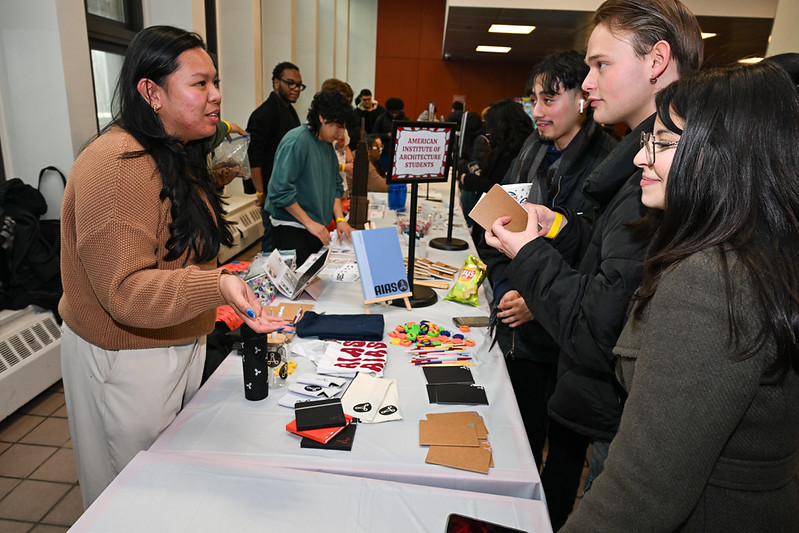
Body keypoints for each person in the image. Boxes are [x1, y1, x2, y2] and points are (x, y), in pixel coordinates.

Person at [485, 0, 703, 528]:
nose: (587, 81)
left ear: (655, 62)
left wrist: (529, 253)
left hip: (624, 424)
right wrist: (555, 227)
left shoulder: (658, 178)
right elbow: (607, 256)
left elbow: (595, 327)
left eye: (601, 65)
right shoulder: (636, 166)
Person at [561, 61, 799, 532]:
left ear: (725, 157)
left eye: (664, 143)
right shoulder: (762, 253)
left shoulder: (710, 279)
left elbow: (639, 496)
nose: (639, 158)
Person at [59, 26, 288, 509]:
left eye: (216, 82)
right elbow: (126, 293)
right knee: (131, 495)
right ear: (152, 92)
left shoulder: (172, 151)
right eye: (199, 84)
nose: (217, 96)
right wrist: (220, 285)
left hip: (174, 339)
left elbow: (178, 247)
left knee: (168, 485)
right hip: (127, 357)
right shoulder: (115, 166)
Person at [477, 50, 618, 491]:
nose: (537, 111)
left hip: (570, 346)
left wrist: (539, 303)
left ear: (583, 97)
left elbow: (599, 270)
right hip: (519, 331)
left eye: (549, 99)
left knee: (562, 461)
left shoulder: (610, 165)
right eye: (532, 100)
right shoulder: (531, 152)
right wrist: (503, 288)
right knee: (518, 441)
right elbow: (500, 232)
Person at [266, 90, 355, 265]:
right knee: (296, 285)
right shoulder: (297, 141)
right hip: (291, 227)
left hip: (314, 228)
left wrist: (340, 220)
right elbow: (280, 191)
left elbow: (336, 187)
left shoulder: (327, 146)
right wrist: (309, 223)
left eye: (343, 127)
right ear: (322, 118)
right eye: (337, 126)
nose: (340, 133)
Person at [246, 61, 304, 252]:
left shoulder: (289, 110)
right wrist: (261, 193)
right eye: (291, 83)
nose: (296, 89)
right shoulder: (264, 114)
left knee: (283, 243)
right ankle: (263, 280)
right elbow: (254, 157)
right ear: (276, 82)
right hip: (271, 192)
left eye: (299, 85)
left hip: (285, 189)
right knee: (271, 244)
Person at [459, 99, 533, 246]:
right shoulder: (520, 146)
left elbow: (495, 185)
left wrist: (468, 180)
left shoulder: (511, 152)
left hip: (499, 217)